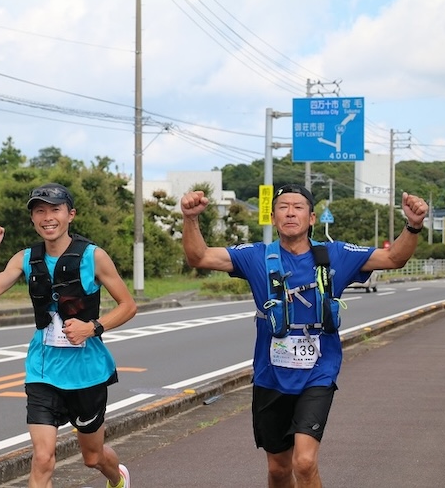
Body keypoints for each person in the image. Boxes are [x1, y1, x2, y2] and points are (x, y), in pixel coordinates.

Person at [180, 184, 428, 488]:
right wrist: (190, 218)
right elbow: (199, 257)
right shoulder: (256, 256)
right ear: (272, 218)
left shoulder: (335, 254)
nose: (290, 212)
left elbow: (393, 259)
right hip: (271, 375)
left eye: (298, 207)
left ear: (311, 218)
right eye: (283, 207)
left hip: (318, 373)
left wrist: (413, 225)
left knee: (305, 463)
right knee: (279, 470)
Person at [0, 182, 136, 488]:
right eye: (39, 211)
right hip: (42, 371)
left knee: (93, 458)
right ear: (33, 219)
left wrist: (92, 327)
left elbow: (128, 306)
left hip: (87, 373)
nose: (47, 217)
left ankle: (117, 478)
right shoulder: (25, 258)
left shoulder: (93, 256)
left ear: (70, 214)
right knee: (43, 458)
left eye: (55, 210)